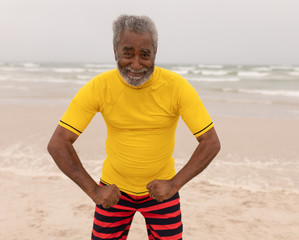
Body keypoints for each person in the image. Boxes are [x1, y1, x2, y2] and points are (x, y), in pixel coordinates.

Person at [48, 14, 220, 240]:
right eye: (128, 54)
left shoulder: (177, 87)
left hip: (162, 192)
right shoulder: (99, 87)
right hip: (113, 191)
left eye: (145, 55)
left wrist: (174, 184)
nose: (136, 64)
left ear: (155, 54)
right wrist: (94, 190)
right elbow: (58, 143)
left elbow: (211, 142)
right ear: (115, 52)